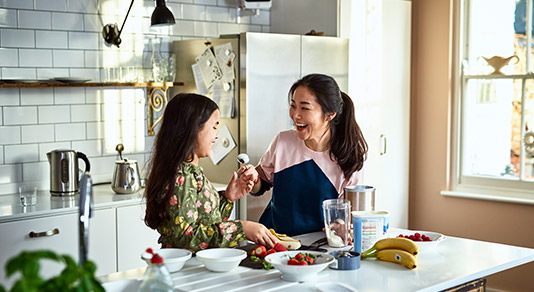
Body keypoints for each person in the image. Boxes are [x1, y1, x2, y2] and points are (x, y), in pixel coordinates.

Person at [144, 93, 278, 252]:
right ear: (193, 129)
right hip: (187, 268)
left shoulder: (191, 172)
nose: (216, 135)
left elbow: (205, 223)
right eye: (214, 127)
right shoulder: (182, 177)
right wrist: (241, 228)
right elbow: (186, 238)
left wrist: (228, 197)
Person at [244, 74, 368, 236]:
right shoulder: (283, 141)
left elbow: (346, 215)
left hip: (318, 245)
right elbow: (261, 184)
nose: (295, 115)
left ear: (330, 114)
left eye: (305, 108)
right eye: (293, 105)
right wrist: (251, 178)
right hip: (275, 240)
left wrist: (340, 225)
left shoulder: (349, 158)